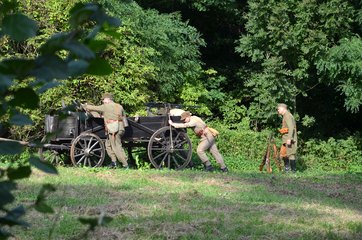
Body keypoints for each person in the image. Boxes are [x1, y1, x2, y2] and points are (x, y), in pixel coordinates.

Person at [82, 93, 128, 169]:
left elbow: (94, 108)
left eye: (103, 100)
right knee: (108, 145)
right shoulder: (119, 106)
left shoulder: (106, 107)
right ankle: (114, 162)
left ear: (108, 99)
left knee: (116, 147)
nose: (103, 101)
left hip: (114, 130)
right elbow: (124, 119)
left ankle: (125, 164)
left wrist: (84, 106)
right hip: (119, 128)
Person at [277, 103, 298, 173]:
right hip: (285, 139)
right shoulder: (285, 115)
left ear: (283, 108)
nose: (278, 110)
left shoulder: (288, 115)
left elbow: (291, 127)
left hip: (289, 139)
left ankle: (293, 171)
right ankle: (287, 170)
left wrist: (289, 138)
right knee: (284, 154)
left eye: (278, 109)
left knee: (291, 154)